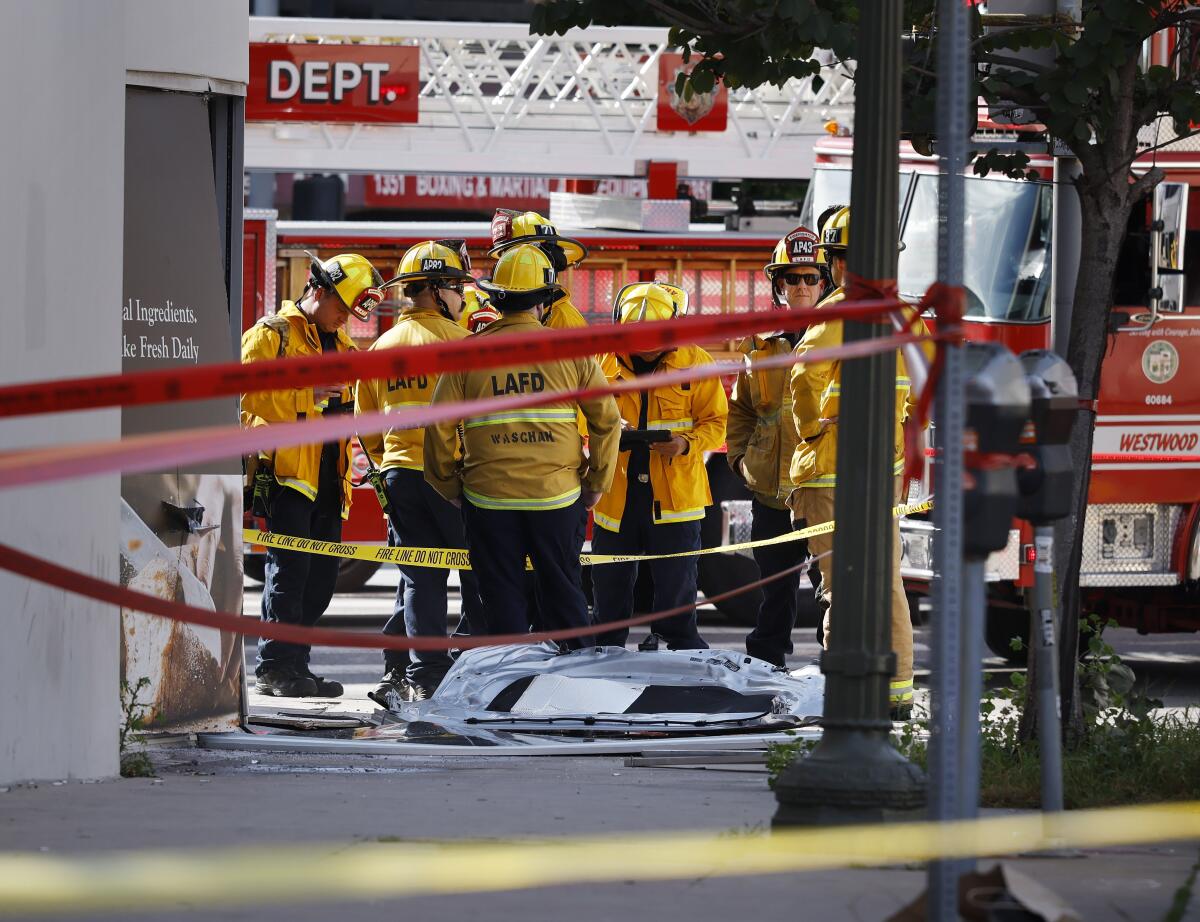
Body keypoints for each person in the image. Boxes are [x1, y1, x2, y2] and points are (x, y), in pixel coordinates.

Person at [424, 244, 621, 638]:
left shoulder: (467, 353)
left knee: (501, 599)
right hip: (558, 496)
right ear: (544, 300)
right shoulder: (572, 353)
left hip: (488, 499)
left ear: (496, 298)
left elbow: (438, 425)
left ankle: (508, 686)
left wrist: (449, 485)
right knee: (564, 595)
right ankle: (571, 683)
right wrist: (596, 484)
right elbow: (607, 421)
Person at [784, 206, 928, 719]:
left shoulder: (835, 313)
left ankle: (847, 694)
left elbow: (803, 378)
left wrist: (814, 426)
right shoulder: (903, 316)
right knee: (886, 582)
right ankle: (897, 692)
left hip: (831, 475)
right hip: (883, 473)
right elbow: (920, 391)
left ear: (837, 263)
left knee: (842, 587)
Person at [241, 252, 385, 697]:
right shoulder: (271, 336)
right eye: (341, 308)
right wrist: (309, 396)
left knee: (321, 580)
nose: (344, 319)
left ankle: (296, 664)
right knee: (290, 572)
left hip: (329, 479)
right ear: (318, 291)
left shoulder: (342, 347)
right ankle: (275, 667)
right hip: (286, 477)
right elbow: (243, 405)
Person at [356, 240, 486, 704]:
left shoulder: (380, 346)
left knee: (419, 577)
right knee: (476, 572)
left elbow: (366, 427)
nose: (463, 298)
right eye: (457, 289)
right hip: (454, 478)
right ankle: (473, 663)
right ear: (434, 290)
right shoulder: (463, 344)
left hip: (399, 477)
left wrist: (391, 459)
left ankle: (425, 670)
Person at [591, 282, 728, 650]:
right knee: (610, 588)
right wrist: (605, 428)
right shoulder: (602, 361)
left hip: (675, 497)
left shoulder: (695, 362)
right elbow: (576, 415)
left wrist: (685, 444)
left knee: (676, 586)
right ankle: (604, 652)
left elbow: (716, 422)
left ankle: (681, 650)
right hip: (617, 495)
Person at [727, 226, 827, 668]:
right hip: (772, 493)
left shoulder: (840, 337)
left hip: (824, 489)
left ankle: (838, 672)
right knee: (775, 591)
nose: (802, 287)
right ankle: (768, 667)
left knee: (834, 590)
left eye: (810, 278)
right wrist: (740, 461)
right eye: (792, 278)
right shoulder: (759, 346)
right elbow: (742, 412)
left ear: (825, 283)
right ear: (778, 285)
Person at [488, 210, 590, 330]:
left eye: (520, 256)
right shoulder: (509, 313)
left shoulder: (564, 320)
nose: (511, 264)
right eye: (506, 257)